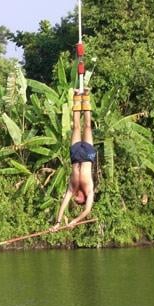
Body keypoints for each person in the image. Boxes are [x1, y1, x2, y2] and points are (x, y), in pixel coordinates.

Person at [52, 90, 96, 230]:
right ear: (83, 199)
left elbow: (63, 204)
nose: (75, 200)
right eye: (78, 202)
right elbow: (87, 210)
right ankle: (86, 96)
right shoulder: (89, 191)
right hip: (88, 156)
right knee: (88, 126)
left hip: (76, 156)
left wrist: (58, 223)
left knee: (76, 127)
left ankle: (77, 96)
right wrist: (76, 220)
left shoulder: (72, 189)